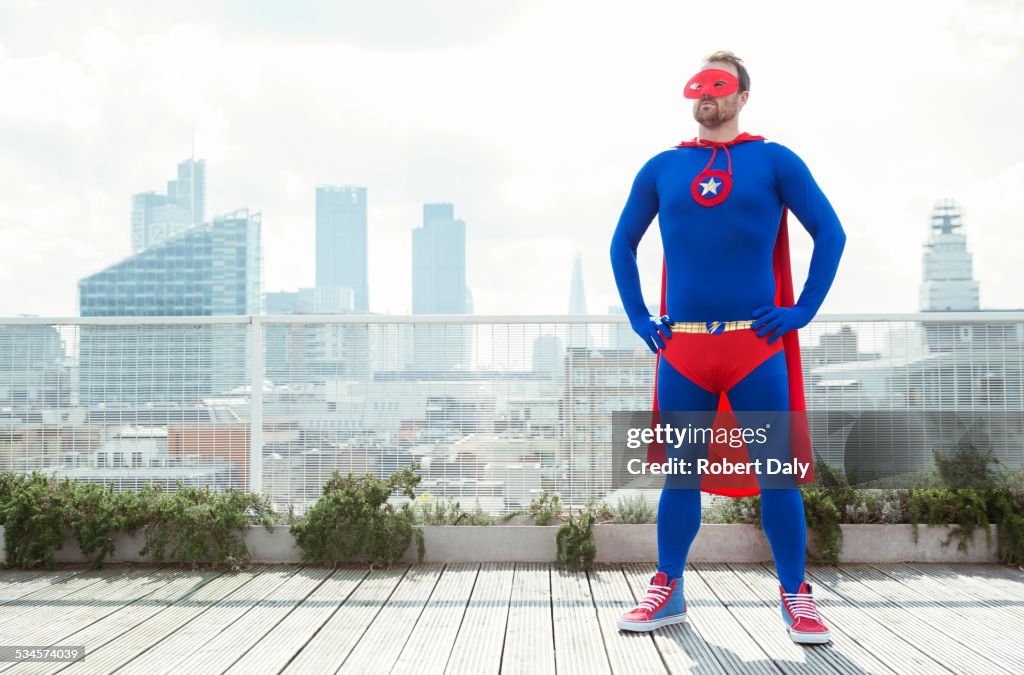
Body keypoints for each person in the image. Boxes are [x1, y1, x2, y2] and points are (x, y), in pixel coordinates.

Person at [609, 51, 845, 644]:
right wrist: (639, 317)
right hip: (683, 351)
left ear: (742, 97)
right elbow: (621, 244)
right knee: (679, 478)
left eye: (720, 86)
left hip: (755, 349)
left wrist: (802, 312)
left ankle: (796, 595)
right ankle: (668, 590)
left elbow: (831, 233)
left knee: (778, 477)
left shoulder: (773, 160)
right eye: (700, 86)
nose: (706, 95)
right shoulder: (662, 168)